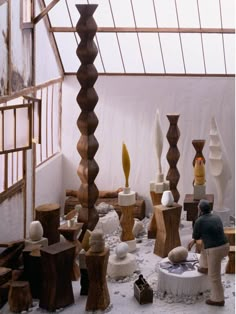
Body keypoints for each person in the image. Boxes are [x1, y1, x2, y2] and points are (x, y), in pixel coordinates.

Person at [187, 199, 229, 307]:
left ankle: (218, 299)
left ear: (200, 209)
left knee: (214, 276)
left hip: (215, 250)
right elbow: (207, 233)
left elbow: (196, 236)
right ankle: (205, 266)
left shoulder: (199, 221)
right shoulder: (216, 217)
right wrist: (194, 241)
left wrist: (193, 241)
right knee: (204, 246)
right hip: (225, 246)